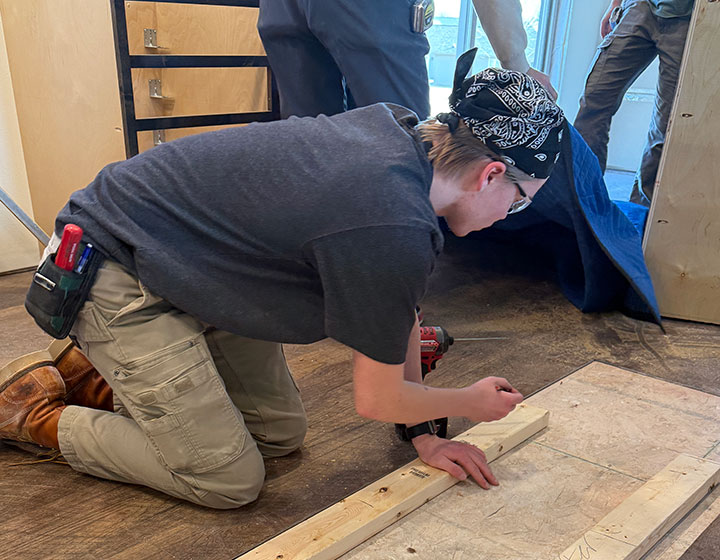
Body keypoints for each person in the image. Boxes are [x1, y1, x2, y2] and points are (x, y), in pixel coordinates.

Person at [0, 50, 565, 508]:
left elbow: (402, 316)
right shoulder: (392, 222)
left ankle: (106, 377)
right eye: (518, 202)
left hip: (199, 269)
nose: (507, 217)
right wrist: (469, 400)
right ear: (491, 174)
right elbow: (376, 398)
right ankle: (33, 413)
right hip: (117, 265)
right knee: (225, 480)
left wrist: (427, 434)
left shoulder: (402, 139)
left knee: (277, 436)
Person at [257, 0, 556, 120]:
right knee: (402, 148)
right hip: (368, 10)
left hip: (281, 7)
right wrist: (518, 65)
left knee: (309, 145)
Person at [574, 0, 695, 205]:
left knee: (667, 125)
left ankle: (640, 210)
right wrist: (615, 5)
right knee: (594, 99)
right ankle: (582, 200)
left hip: (688, 17)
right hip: (641, 6)